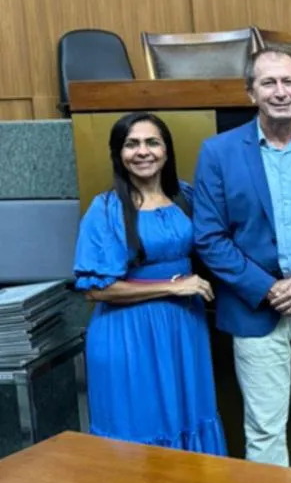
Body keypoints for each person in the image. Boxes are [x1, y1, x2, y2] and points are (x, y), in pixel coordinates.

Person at [193, 48, 291, 474]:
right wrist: (267, 289)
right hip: (254, 310)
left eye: (288, 82)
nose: (280, 92)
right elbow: (210, 237)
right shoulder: (218, 152)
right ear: (251, 93)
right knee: (264, 430)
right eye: (268, 83)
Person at [73, 112, 226, 455]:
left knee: (189, 420)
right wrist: (173, 287)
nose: (143, 152)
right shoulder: (106, 209)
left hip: (184, 329)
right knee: (138, 428)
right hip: (128, 335)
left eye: (152, 142)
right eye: (132, 144)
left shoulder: (186, 197)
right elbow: (96, 290)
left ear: (167, 151)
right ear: (119, 154)